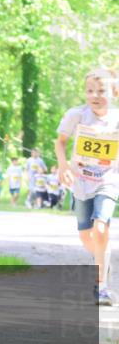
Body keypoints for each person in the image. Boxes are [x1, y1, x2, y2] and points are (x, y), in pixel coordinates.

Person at [54, 68, 119, 305]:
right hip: (81, 183)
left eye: (101, 91)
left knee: (101, 229)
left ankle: (101, 286)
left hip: (108, 181)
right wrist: (63, 167)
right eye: (90, 90)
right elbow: (60, 143)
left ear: (114, 92)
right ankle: (103, 261)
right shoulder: (77, 115)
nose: (95, 95)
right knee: (85, 236)